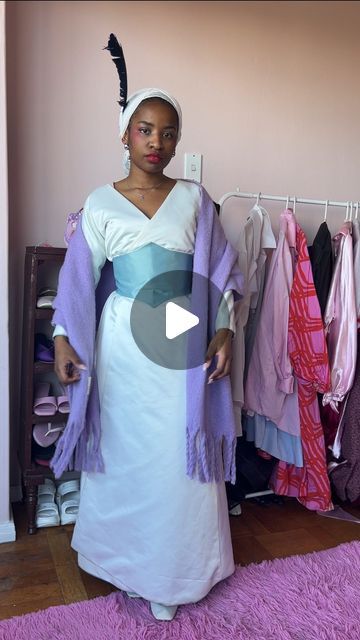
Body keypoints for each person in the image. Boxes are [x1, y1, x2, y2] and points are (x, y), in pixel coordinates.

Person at [51, 35, 243, 622]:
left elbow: (222, 273)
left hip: (181, 326)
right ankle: (126, 564)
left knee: (173, 452)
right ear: (125, 135)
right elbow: (77, 281)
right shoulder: (99, 205)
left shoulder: (195, 200)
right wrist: (62, 337)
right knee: (128, 451)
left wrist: (224, 331)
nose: (156, 142)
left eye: (167, 132)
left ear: (178, 142)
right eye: (145, 130)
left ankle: (175, 573)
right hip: (120, 342)